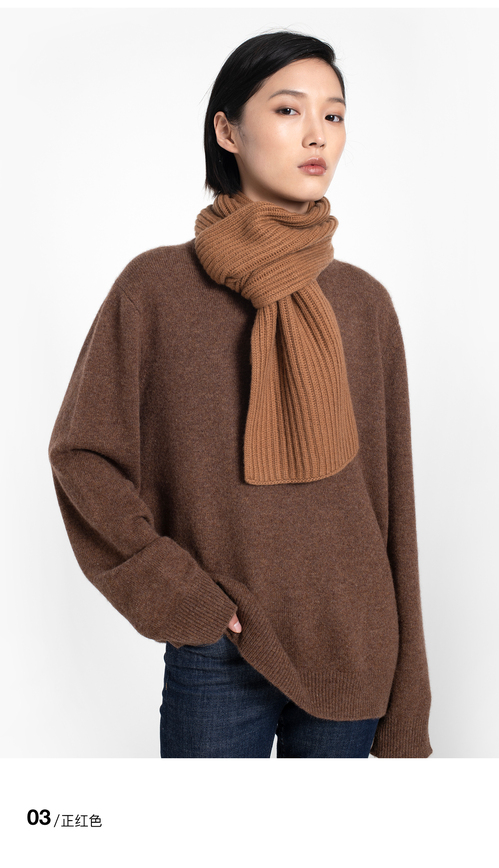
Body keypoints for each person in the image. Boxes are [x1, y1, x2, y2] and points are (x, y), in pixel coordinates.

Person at [48, 31, 432, 758]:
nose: (317, 134)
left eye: (334, 115)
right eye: (289, 110)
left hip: (355, 646)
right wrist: (179, 595)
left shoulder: (363, 303)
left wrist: (410, 692)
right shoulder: (155, 288)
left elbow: (392, 507)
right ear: (228, 131)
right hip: (220, 651)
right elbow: (83, 455)